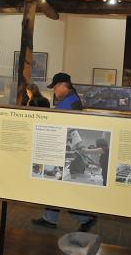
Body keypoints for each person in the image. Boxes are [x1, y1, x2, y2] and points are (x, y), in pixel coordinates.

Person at [31, 72, 97, 232]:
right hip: (62, 147)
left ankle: (85, 218)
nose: (54, 91)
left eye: (55, 88)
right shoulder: (72, 99)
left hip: (59, 148)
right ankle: (51, 218)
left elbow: (59, 126)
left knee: (60, 187)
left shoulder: (67, 104)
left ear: (62, 85)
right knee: (55, 184)